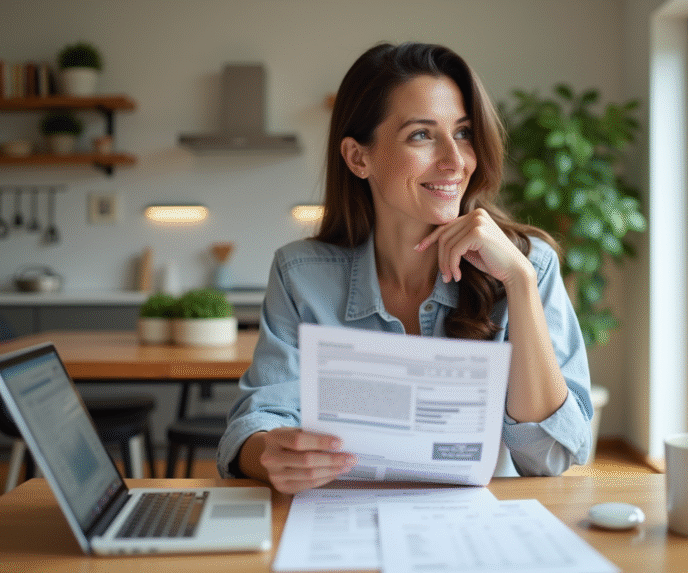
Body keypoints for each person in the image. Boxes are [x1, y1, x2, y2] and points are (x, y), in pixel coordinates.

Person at [217, 42, 592, 493]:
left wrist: (520, 282)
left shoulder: (528, 265)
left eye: (464, 132)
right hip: (341, 529)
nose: (456, 161)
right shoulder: (300, 276)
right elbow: (258, 421)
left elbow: (550, 457)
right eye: (422, 135)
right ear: (359, 158)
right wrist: (267, 454)